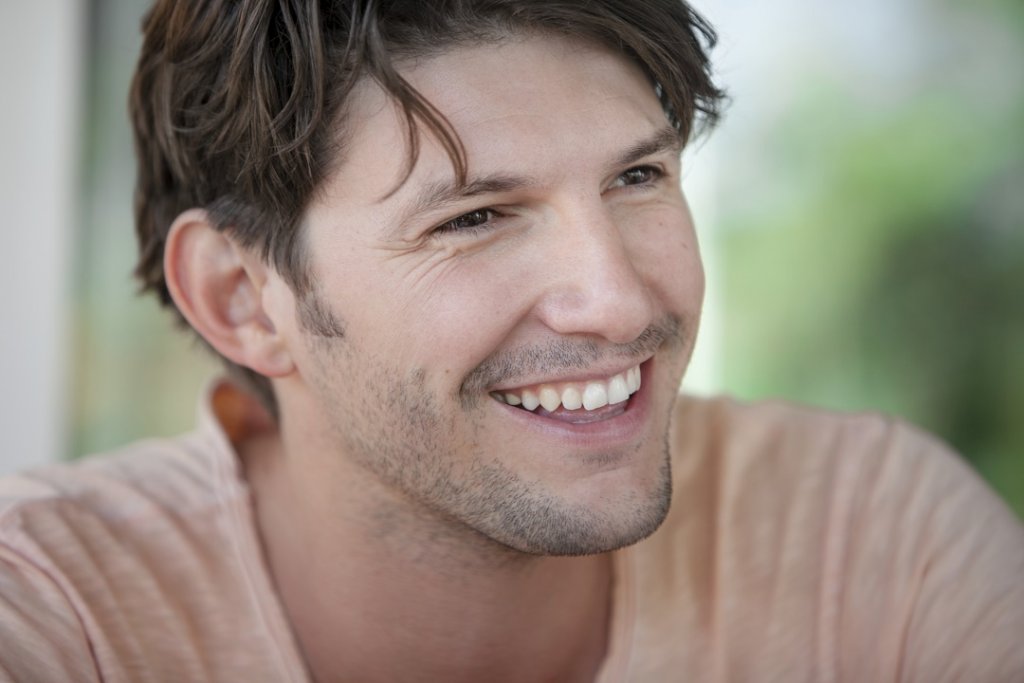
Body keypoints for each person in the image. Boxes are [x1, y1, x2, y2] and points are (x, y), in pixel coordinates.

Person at [2, 0, 1022, 680]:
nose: (618, 304)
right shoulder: (58, 611)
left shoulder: (873, 538)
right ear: (243, 299)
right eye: (476, 218)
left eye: (637, 178)